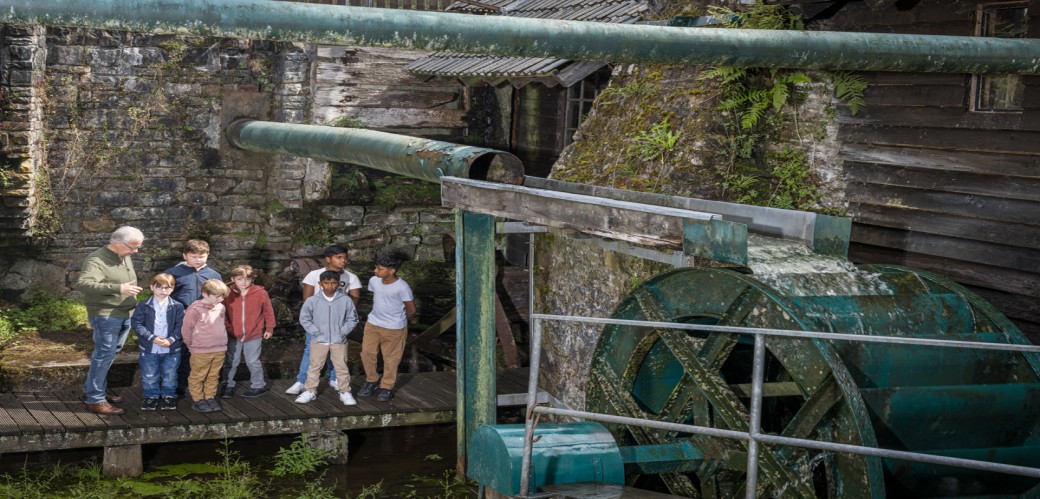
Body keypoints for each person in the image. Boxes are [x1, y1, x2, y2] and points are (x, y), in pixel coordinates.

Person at [77, 226, 145, 415]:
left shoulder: (124, 255)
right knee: (104, 354)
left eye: (138, 247)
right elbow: (84, 284)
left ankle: (90, 389)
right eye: (132, 247)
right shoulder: (96, 260)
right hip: (106, 315)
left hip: (124, 313)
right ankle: (95, 399)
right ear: (117, 243)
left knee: (110, 352)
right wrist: (118, 288)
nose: (135, 251)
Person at [285, 244, 362, 395]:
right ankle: (302, 381)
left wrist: (342, 319)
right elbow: (307, 299)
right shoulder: (314, 275)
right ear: (328, 259)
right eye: (338, 257)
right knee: (310, 349)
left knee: (337, 351)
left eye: (345, 257)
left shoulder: (351, 277)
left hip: (338, 322)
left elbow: (354, 300)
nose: (343, 261)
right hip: (318, 322)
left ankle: (334, 378)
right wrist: (315, 322)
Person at [165, 239, 221, 395]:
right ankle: (175, 385)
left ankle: (194, 384)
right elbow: (163, 296)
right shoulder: (172, 273)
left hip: (204, 322)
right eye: (193, 256)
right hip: (180, 321)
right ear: (185, 255)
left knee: (198, 353)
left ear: (208, 255)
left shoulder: (214, 275)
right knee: (179, 352)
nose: (198, 260)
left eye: (201, 256)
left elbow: (219, 297)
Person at [358, 254, 417, 402]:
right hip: (373, 323)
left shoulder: (402, 287)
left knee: (391, 358)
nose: (375, 271)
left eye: (380, 268)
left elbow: (411, 309)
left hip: (394, 327)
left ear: (392, 270)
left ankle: (386, 386)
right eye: (376, 267)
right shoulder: (374, 281)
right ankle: (372, 380)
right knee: (367, 353)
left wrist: (402, 320)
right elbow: (379, 297)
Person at [296, 271, 359, 406]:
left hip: (339, 341)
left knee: (341, 367)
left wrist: (342, 333)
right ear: (320, 284)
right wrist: (316, 332)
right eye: (326, 283)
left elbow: (352, 319)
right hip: (319, 340)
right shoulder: (312, 300)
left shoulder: (346, 300)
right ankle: (310, 391)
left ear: (339, 284)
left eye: (333, 283)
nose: (330, 286)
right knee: (314, 367)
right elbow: (304, 318)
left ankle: (345, 391)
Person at [220, 265, 276, 399]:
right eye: (240, 279)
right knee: (231, 361)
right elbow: (222, 313)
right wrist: (228, 328)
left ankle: (258, 386)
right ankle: (227, 385)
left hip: (254, 334)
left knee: (253, 361)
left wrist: (269, 328)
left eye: (247, 279)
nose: (243, 282)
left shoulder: (260, 293)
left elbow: (268, 311)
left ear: (252, 279)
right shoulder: (227, 293)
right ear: (233, 279)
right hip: (233, 335)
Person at [131, 273, 184, 411]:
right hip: (149, 348)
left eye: (167, 288)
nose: (163, 290)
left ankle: (169, 395)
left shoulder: (178, 306)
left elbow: (181, 326)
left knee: (170, 374)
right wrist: (152, 338)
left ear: (172, 289)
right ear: (152, 287)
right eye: (159, 287)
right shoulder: (143, 305)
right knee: (149, 375)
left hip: (171, 349)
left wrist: (171, 340)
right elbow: (137, 324)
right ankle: (151, 396)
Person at [181, 279, 230, 413]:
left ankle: (209, 397)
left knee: (213, 376)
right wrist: (191, 345)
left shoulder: (221, 307)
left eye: (222, 296)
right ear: (205, 294)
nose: (221, 299)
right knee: (198, 376)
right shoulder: (195, 310)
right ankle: (198, 399)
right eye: (217, 296)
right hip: (201, 350)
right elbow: (186, 330)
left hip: (220, 349)